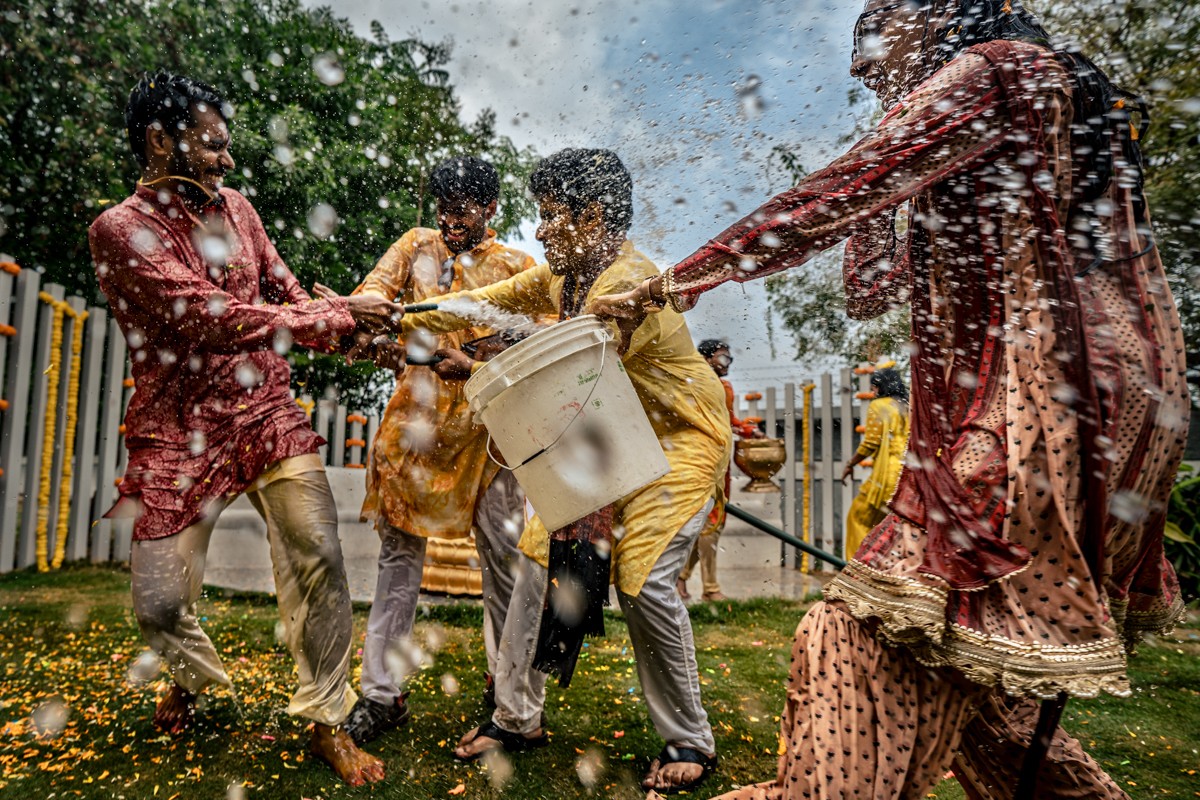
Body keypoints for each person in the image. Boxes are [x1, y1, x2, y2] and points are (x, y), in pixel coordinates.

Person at [593, 0, 1190, 795]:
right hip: (1091, 415)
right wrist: (886, 173)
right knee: (979, 707)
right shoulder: (1010, 102)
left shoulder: (1001, 70)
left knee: (850, 640)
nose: (858, 64)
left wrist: (673, 281)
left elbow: (826, 199)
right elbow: (869, 290)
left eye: (874, 28)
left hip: (1045, 414)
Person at [88, 72, 407, 786]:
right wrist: (329, 321)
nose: (228, 163)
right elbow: (209, 316)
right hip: (175, 427)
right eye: (212, 147)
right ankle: (196, 680)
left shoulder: (237, 208)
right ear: (158, 141)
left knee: (319, 553)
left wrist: (350, 332)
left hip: (264, 409)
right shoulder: (119, 230)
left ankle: (329, 719)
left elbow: (281, 289)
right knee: (161, 602)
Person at [396, 149, 732, 794]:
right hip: (605, 431)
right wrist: (396, 317)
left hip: (681, 440)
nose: (543, 232)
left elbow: (566, 367)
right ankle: (515, 715)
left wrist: (474, 370)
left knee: (644, 578)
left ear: (593, 215)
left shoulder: (624, 279)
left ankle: (689, 736)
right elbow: (478, 304)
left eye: (552, 217)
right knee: (533, 560)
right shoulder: (563, 276)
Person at [336, 156, 536, 745]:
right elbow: (374, 292)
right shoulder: (417, 245)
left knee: (503, 558)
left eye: (465, 208)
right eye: (445, 206)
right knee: (398, 557)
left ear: (491, 209)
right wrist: (367, 320)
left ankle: (505, 692)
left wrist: (488, 347)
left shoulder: (517, 266)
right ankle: (380, 693)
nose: (452, 219)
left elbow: (542, 336)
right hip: (414, 426)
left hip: (491, 432)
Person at [677, 339, 759, 602]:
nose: (727, 363)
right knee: (707, 526)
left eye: (729, 358)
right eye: (723, 357)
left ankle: (680, 579)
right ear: (706, 358)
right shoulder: (692, 382)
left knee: (708, 524)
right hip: (698, 462)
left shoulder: (724, 387)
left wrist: (747, 430)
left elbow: (727, 420)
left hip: (718, 465)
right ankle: (710, 588)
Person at [839, 367, 909, 560]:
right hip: (906, 473)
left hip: (886, 476)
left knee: (858, 518)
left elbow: (871, 442)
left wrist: (850, 464)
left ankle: (856, 569)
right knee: (890, 526)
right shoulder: (908, 406)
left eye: (875, 388)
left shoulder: (879, 406)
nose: (874, 393)